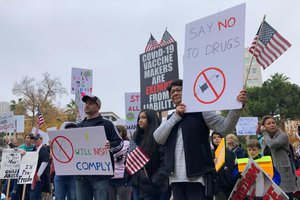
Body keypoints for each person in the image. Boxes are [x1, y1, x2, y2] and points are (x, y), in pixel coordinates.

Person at [153, 79, 247, 200]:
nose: (175, 93)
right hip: (175, 179)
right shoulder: (170, 118)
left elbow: (225, 128)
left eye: (179, 90)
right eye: (172, 92)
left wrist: (237, 108)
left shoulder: (201, 111)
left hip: (198, 177)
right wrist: (176, 116)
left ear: (187, 93)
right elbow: (158, 138)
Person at [76, 95, 123, 200]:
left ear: (98, 107)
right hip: (82, 174)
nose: (87, 105)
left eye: (91, 103)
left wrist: (110, 145)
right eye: (86, 103)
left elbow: (120, 143)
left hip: (100, 175)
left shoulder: (107, 124)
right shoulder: (79, 126)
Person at [127, 109, 168, 200]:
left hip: (154, 186)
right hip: (137, 184)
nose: (140, 120)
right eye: (139, 118)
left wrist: (155, 181)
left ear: (151, 119)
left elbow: (164, 161)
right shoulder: (136, 137)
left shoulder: (159, 136)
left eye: (143, 117)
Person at [261, 115, 296, 200]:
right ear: (264, 126)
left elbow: (272, 144)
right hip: (270, 173)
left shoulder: (283, 136)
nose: (272, 125)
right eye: (268, 123)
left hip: (283, 172)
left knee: (286, 196)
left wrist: (264, 133)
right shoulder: (264, 139)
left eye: (273, 123)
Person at [53, 122, 77, 200]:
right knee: (59, 198)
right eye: (68, 130)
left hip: (74, 175)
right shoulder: (59, 142)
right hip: (60, 174)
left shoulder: (79, 144)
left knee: (73, 198)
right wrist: (51, 149)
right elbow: (52, 159)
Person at [211, 131, 237, 200]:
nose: (216, 139)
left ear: (222, 138)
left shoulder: (231, 153)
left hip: (231, 185)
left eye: (218, 137)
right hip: (217, 186)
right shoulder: (210, 154)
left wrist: (235, 176)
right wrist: (212, 164)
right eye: (214, 138)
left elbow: (236, 167)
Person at [109, 125, 132, 200]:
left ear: (121, 133)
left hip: (123, 178)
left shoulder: (127, 144)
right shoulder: (110, 144)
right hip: (111, 177)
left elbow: (114, 153)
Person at [30, 134, 51, 200]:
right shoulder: (33, 149)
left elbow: (45, 162)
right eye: (34, 139)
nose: (35, 141)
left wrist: (38, 174)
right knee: (33, 194)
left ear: (41, 139)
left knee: (36, 194)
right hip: (33, 175)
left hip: (41, 176)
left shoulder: (44, 149)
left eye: (37, 139)